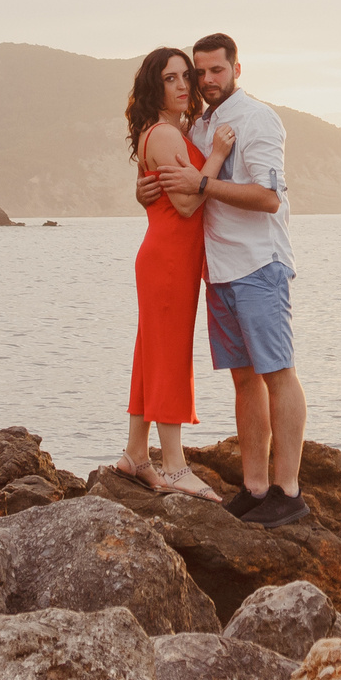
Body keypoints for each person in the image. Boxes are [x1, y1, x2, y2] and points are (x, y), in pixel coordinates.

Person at [138, 32, 307, 528]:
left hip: (259, 265)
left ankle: (288, 491)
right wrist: (145, 189)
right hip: (220, 270)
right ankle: (255, 488)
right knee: (243, 379)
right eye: (200, 72)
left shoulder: (257, 119)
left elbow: (269, 197)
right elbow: (176, 181)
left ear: (236, 68)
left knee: (278, 374)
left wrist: (205, 183)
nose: (207, 80)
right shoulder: (202, 124)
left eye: (217, 70)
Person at [110, 47, 234, 501]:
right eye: (171, 78)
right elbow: (185, 203)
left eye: (187, 76)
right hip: (167, 261)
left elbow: (168, 195)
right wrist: (218, 155)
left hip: (171, 258)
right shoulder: (163, 134)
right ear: (154, 86)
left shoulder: (169, 131)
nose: (184, 85)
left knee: (152, 353)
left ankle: (135, 456)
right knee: (169, 356)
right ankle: (175, 466)